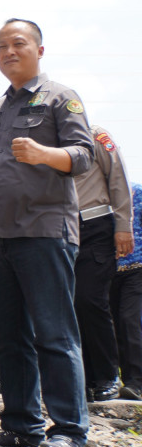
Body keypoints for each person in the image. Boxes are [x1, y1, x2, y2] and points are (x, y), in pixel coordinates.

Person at [0, 18, 94, 447]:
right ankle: (21, 426)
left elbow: (84, 155)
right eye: (1, 46)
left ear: (39, 50)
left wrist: (45, 155)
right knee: (8, 337)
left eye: (18, 43)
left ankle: (70, 431)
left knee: (54, 333)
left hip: (44, 230)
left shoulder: (61, 97)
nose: (8, 52)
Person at [71, 125, 133, 402]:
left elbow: (117, 177)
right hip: (59, 231)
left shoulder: (94, 135)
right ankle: (83, 380)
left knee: (91, 301)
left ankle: (107, 376)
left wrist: (123, 225)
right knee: (70, 307)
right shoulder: (47, 140)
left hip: (95, 225)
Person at [111, 183, 142, 400]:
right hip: (106, 271)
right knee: (113, 326)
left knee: (129, 320)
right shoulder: (96, 198)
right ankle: (116, 380)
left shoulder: (138, 193)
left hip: (137, 268)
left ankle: (136, 383)